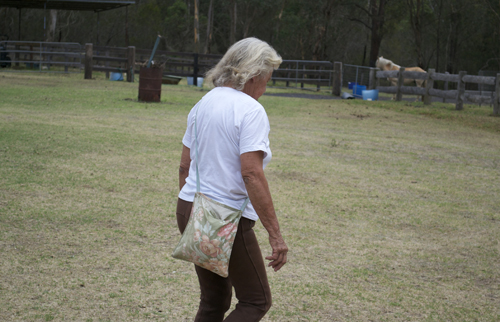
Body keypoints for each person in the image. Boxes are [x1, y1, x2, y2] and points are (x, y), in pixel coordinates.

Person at [176, 37, 288, 322]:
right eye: (267, 78)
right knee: (255, 301)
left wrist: (193, 214)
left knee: (214, 300)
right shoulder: (250, 110)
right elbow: (251, 173)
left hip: (190, 205)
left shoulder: (203, 102)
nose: (265, 88)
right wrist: (276, 236)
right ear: (254, 75)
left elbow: (184, 166)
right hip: (225, 217)